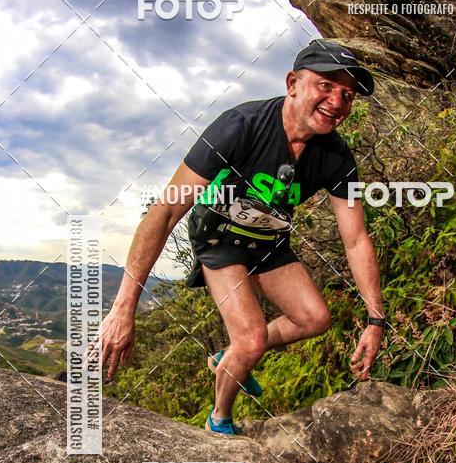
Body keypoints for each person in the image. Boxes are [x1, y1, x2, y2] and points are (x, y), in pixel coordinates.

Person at [98, 39, 387, 435]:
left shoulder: (338, 158)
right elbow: (165, 212)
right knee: (250, 338)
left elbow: (355, 239)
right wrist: (123, 308)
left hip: (268, 242)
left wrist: (376, 319)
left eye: (347, 94)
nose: (337, 101)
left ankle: (229, 357)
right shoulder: (240, 126)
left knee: (315, 317)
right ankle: (219, 418)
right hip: (219, 240)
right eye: (326, 85)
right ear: (293, 83)